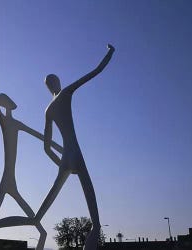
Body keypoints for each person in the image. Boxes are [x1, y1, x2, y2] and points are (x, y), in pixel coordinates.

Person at [0, 50, 63, 250]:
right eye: (7, 101)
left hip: (12, 181)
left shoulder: (17, 123)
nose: (12, 103)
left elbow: (41, 137)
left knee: (40, 229)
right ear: (4, 105)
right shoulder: (4, 122)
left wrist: (62, 149)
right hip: (7, 180)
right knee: (33, 225)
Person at [36, 44, 115, 250]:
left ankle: (35, 220)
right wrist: (110, 53)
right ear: (58, 83)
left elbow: (46, 148)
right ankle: (94, 231)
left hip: (65, 158)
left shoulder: (47, 110)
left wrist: (61, 162)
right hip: (76, 154)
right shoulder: (66, 93)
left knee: (52, 193)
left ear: (47, 87)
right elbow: (95, 72)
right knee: (89, 195)